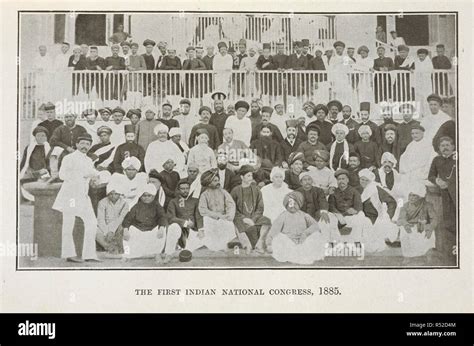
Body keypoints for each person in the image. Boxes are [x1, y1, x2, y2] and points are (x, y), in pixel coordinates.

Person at [52, 133, 100, 263]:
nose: (85, 146)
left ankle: (89, 254)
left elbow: (93, 174)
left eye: (87, 144)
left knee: (92, 223)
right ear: (77, 144)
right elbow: (62, 175)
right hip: (71, 196)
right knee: (69, 224)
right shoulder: (69, 158)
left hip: (83, 196)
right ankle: (69, 254)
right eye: (82, 143)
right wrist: (82, 175)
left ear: (90, 146)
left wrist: (97, 176)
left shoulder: (89, 160)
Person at [122, 184, 180, 263]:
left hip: (153, 229)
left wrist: (161, 227)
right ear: (140, 196)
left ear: (153, 196)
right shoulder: (136, 206)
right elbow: (128, 218)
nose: (146, 198)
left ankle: (157, 254)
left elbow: (162, 217)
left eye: (149, 196)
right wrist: (125, 229)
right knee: (128, 232)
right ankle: (127, 254)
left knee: (161, 230)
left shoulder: (157, 205)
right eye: (144, 196)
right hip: (139, 229)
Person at [266, 191, 326, 264]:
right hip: (289, 245)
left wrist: (305, 233)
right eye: (290, 204)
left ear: (299, 204)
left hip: (303, 243)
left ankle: (300, 254)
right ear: (286, 205)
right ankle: (295, 255)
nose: (292, 206)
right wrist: (269, 244)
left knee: (317, 235)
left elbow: (316, 226)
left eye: (295, 204)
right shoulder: (283, 216)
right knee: (279, 238)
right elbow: (274, 231)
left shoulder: (304, 215)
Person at [189, 169, 236, 252]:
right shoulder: (204, 194)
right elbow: (203, 210)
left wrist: (229, 215)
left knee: (228, 224)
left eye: (218, 180)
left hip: (224, 217)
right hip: (210, 219)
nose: (218, 182)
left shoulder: (224, 192)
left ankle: (223, 246)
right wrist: (216, 215)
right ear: (209, 182)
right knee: (207, 221)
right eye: (215, 181)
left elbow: (231, 205)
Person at [231, 165, 272, 253]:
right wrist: (244, 219)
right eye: (248, 176)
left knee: (267, 221)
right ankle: (247, 245)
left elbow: (260, 208)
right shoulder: (235, 191)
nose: (251, 178)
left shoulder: (256, 190)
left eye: (251, 176)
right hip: (241, 218)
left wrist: (253, 219)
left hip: (254, 218)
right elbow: (232, 209)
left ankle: (260, 243)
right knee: (238, 223)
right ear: (242, 177)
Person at [428, 136, 456, 261]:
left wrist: (449, 184)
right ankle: (450, 254)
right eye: (442, 146)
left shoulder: (457, 159)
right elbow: (431, 175)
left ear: (453, 147)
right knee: (448, 222)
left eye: (447, 145)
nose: (445, 148)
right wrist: (437, 180)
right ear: (439, 148)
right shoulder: (437, 160)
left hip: (457, 194)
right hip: (445, 196)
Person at [359, 169, 398, 252]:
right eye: (362, 179)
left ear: (370, 181)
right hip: (364, 217)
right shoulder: (358, 189)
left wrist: (388, 216)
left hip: (376, 217)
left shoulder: (375, 188)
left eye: (367, 180)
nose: (364, 182)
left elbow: (392, 202)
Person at [328, 169, 371, 243]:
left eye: (343, 179)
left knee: (361, 216)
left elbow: (358, 206)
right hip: (338, 218)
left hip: (351, 217)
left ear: (347, 180)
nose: (341, 181)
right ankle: (335, 242)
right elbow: (331, 206)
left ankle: (356, 241)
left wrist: (353, 211)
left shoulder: (354, 191)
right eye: (339, 179)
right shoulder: (334, 192)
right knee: (329, 217)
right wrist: (338, 215)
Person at [397, 183, 437, 259]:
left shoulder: (427, 205)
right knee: (403, 231)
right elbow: (401, 218)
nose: (411, 198)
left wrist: (430, 228)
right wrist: (406, 224)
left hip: (422, 228)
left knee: (429, 234)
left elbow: (434, 219)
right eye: (410, 195)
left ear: (420, 197)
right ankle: (407, 258)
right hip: (409, 227)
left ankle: (427, 258)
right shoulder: (405, 205)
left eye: (414, 195)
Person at [167, 179, 204, 253]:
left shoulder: (195, 201)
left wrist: (200, 229)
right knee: (173, 228)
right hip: (180, 229)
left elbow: (198, 216)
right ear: (178, 190)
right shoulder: (173, 202)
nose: (185, 191)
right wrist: (185, 223)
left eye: (187, 188)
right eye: (183, 189)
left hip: (193, 230)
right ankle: (171, 251)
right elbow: (171, 218)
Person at [296, 171, 333, 240]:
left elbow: (323, 201)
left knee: (325, 219)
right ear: (301, 182)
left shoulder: (318, 191)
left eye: (309, 179)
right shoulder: (297, 192)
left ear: (312, 181)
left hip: (316, 215)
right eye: (305, 180)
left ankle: (325, 241)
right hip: (302, 217)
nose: (307, 182)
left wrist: (323, 211)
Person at [399, 124, 437, 190]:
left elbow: (431, 160)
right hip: (409, 172)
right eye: (412, 133)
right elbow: (403, 158)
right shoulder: (411, 145)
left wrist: (424, 173)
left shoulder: (428, 144)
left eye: (417, 133)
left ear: (422, 133)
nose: (414, 135)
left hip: (422, 172)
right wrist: (406, 170)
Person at [96, 181, 129, 256]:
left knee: (122, 228)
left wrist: (111, 231)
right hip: (105, 227)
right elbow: (100, 219)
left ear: (120, 194)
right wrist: (106, 232)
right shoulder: (102, 202)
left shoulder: (124, 203)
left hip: (117, 226)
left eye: (116, 194)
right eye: (111, 194)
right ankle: (108, 246)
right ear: (108, 194)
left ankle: (119, 247)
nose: (113, 196)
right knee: (94, 229)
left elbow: (121, 218)